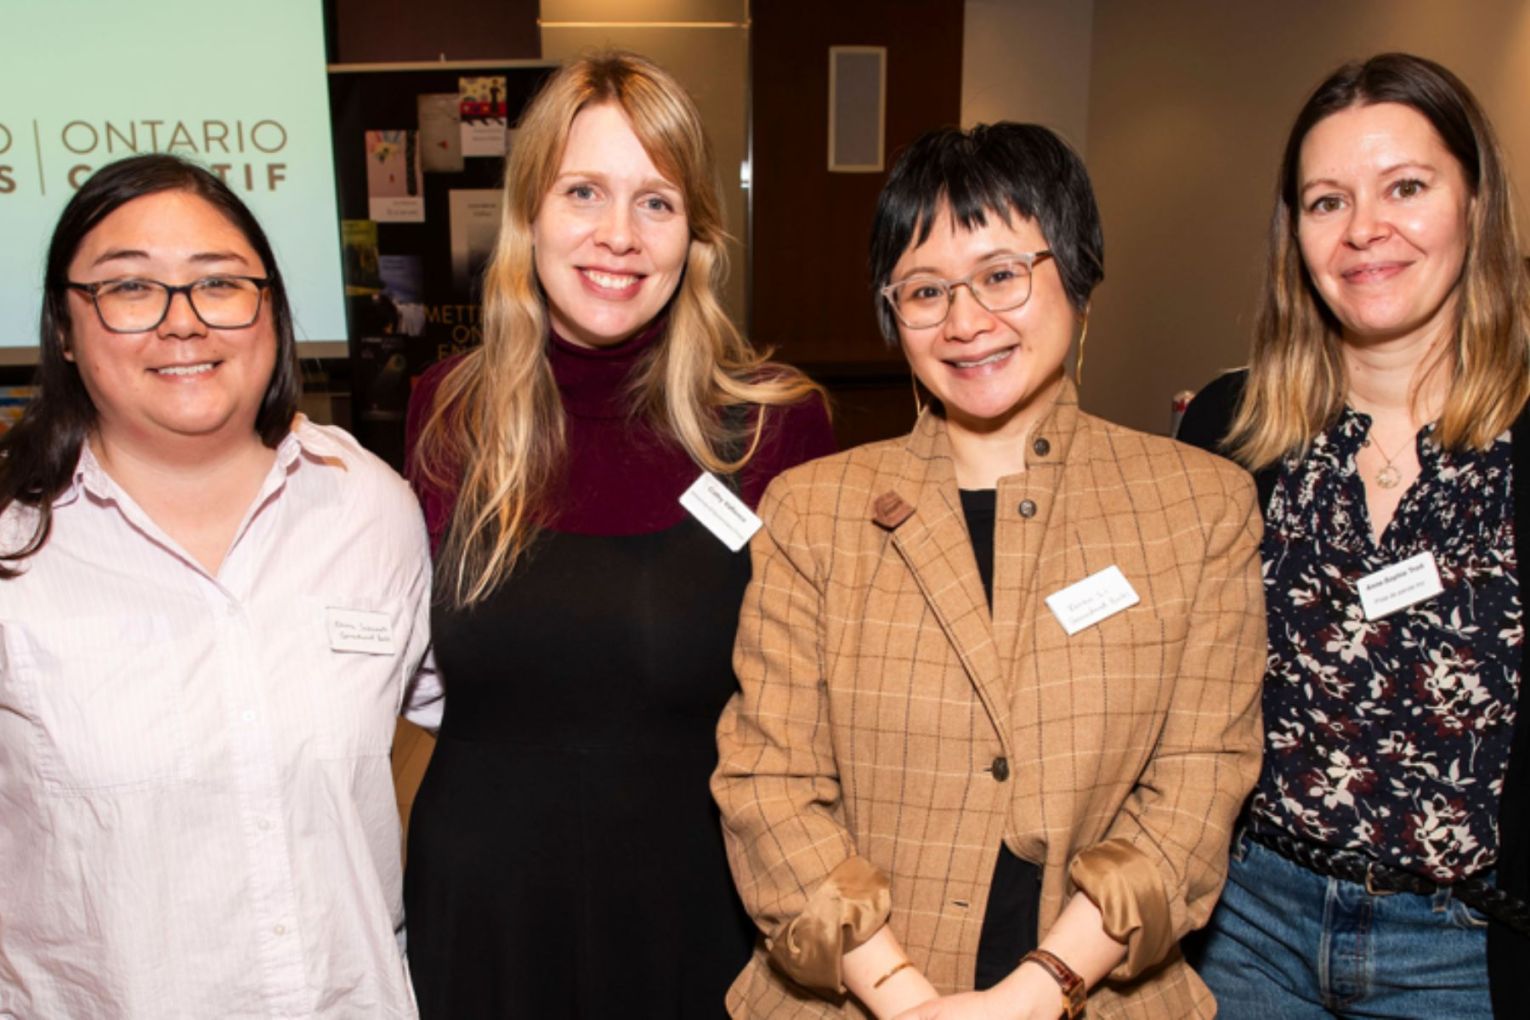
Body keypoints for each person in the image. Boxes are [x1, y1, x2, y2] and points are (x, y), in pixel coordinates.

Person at [712, 122, 1266, 1019]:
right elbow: (768, 786)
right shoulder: (813, 511)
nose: (966, 323)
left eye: (1002, 275)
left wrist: (1037, 992)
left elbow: (1200, 781)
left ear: (1077, 272)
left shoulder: (1201, 507)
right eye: (925, 290)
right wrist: (904, 998)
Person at [402, 51, 835, 1017]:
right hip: (486, 910)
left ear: (697, 236)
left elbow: (816, 709)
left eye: (657, 202)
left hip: (697, 907)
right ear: (529, 216)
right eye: (584, 191)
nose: (617, 236)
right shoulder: (448, 411)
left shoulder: (774, 427)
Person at [0, 154, 440, 1018]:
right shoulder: (15, 556)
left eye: (219, 284)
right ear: (63, 325)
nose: (184, 324)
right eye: (130, 289)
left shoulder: (372, 511)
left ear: (269, 307)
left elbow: (472, 737)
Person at [1179, 52, 1530, 1019]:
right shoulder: (1227, 428)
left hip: (1464, 953)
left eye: (1406, 188)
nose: (1365, 229)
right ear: (1293, 232)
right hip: (1247, 924)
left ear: (1476, 202)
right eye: (1327, 201)